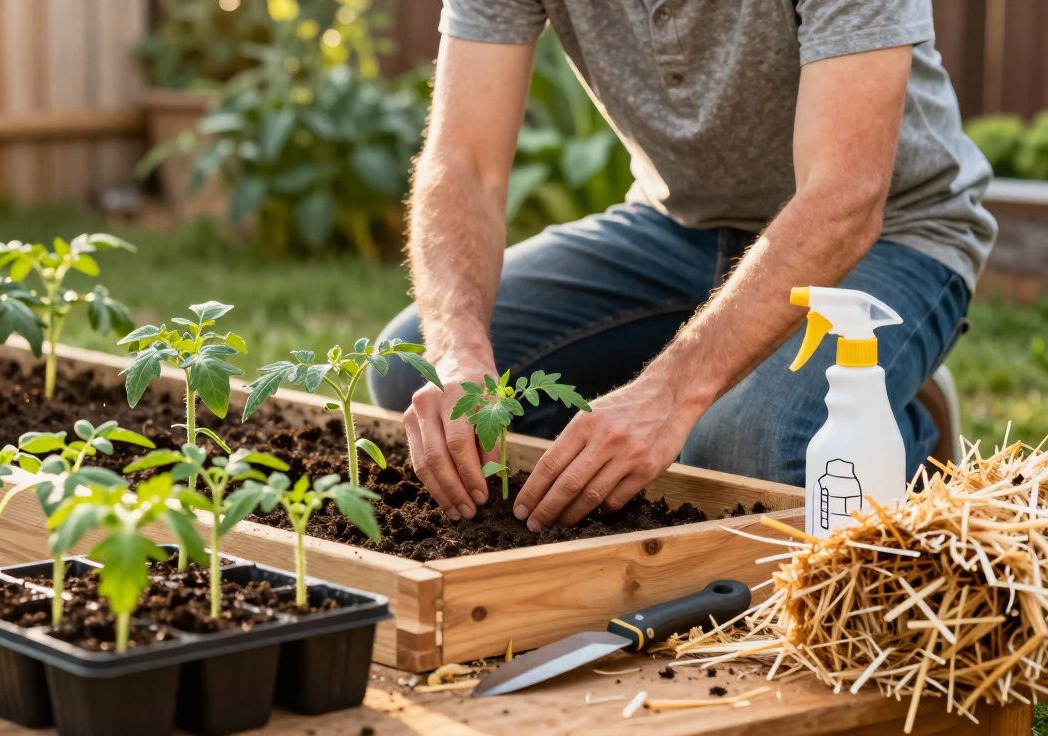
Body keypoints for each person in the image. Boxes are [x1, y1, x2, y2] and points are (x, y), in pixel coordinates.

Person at [368, 0, 995, 532]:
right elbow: (465, 163)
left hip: (890, 232)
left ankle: (896, 433)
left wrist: (670, 395)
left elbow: (846, 197)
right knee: (411, 371)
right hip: (678, 226)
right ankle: (721, 407)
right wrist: (459, 355)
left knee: (739, 450)